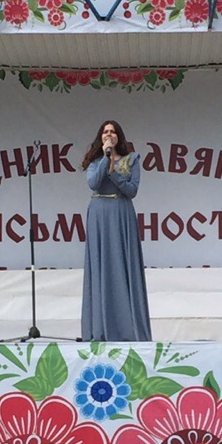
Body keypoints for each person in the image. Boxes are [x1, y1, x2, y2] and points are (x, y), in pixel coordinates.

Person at [81, 119, 152, 342]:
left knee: (122, 266)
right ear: (101, 137)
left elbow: (132, 190)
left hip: (121, 212)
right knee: (100, 266)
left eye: (112, 131)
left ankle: (127, 329)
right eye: (105, 132)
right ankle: (99, 328)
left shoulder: (132, 160)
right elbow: (93, 183)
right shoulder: (95, 161)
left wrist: (113, 172)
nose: (109, 134)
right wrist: (106, 159)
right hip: (99, 214)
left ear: (119, 136)